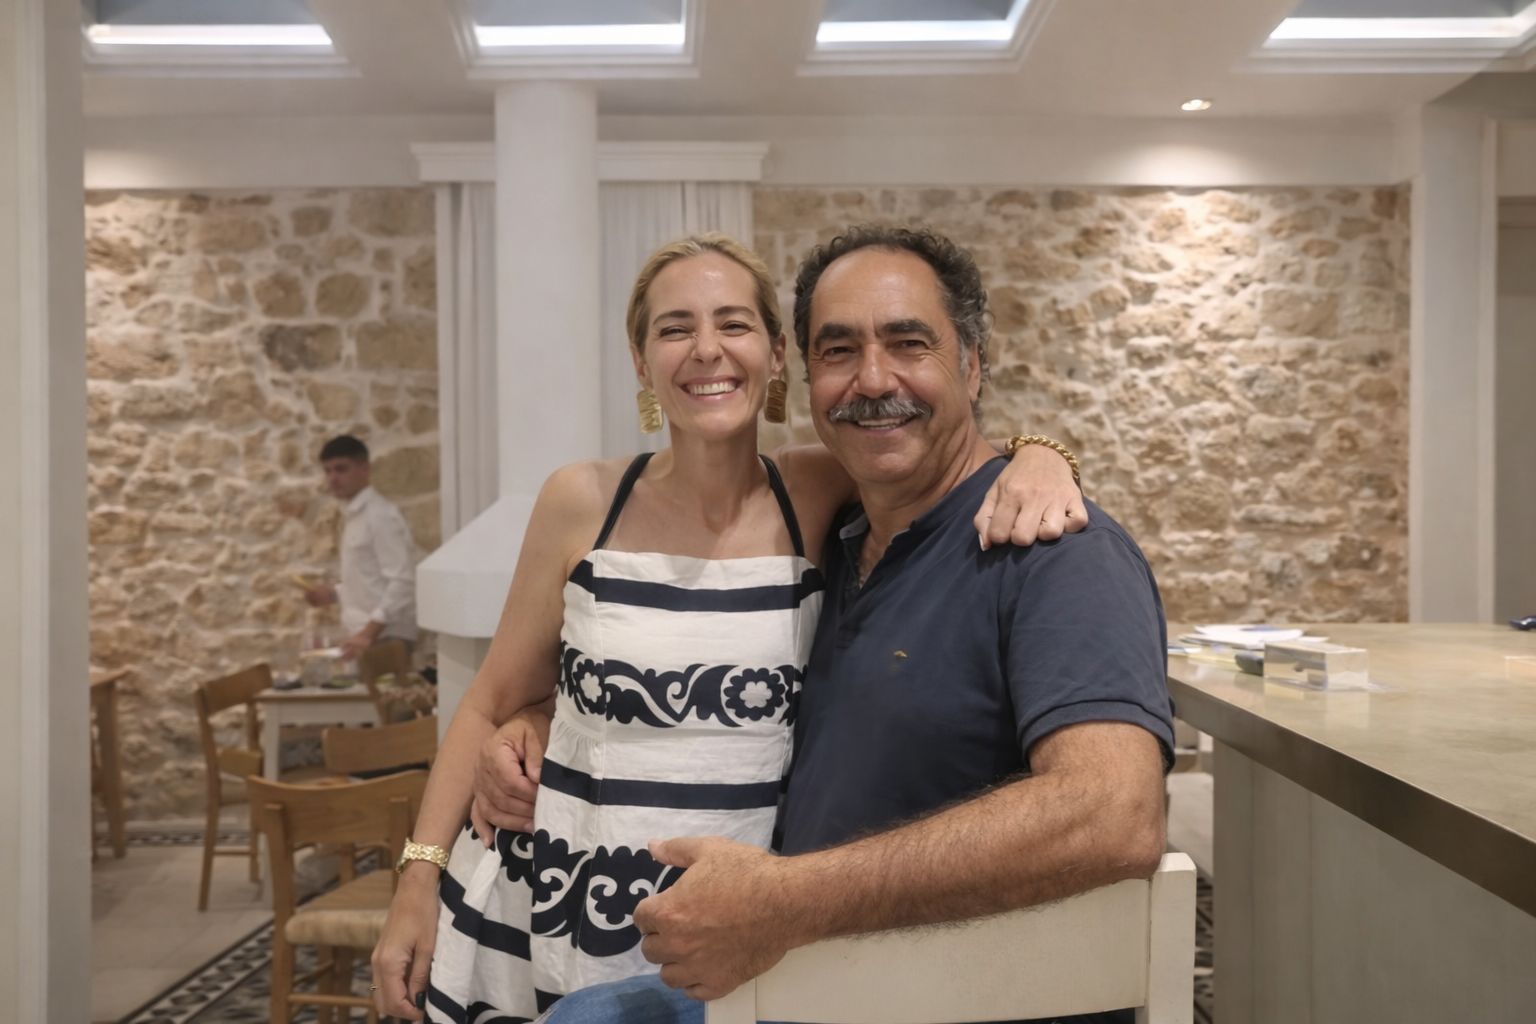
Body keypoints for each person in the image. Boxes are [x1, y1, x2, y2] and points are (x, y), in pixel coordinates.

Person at [369, 234, 1087, 1024]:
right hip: (544, 898)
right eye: (674, 328)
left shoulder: (816, 489)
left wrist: (1040, 454)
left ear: (777, 354)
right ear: (642, 362)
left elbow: (937, 447)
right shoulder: (582, 501)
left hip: (731, 922)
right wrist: (418, 878)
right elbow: (490, 700)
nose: (706, 349)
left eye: (733, 324)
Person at [524, 226, 1175, 1024]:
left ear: (973, 364)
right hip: (809, 980)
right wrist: (531, 720)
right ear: (803, 377)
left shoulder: (1054, 551)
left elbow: (1114, 814)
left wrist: (789, 900)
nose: (871, 379)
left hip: (948, 999)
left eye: (908, 343)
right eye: (838, 351)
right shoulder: (833, 543)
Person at [302, 434, 419, 661]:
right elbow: (370, 581)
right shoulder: (355, 516)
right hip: (366, 636)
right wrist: (333, 593)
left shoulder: (380, 515)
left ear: (364, 469)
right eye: (328, 471)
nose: (333, 478)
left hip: (385, 636)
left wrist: (368, 633)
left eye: (341, 469)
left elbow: (403, 581)